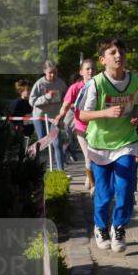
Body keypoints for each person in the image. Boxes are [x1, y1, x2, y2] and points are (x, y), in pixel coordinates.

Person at [78, 38, 138, 255]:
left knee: (125, 189)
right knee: (104, 193)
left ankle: (119, 227)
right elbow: (83, 114)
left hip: (125, 141)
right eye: (112, 52)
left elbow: (137, 107)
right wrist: (105, 112)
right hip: (99, 144)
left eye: (121, 51)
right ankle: (100, 227)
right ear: (102, 59)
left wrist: (135, 116)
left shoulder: (134, 80)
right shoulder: (96, 83)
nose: (118, 55)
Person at [56, 58, 97, 192]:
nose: (91, 71)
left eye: (93, 68)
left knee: (98, 157)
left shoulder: (100, 85)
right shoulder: (75, 88)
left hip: (97, 126)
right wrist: (60, 116)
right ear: (81, 72)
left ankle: (89, 176)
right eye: (87, 69)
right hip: (82, 127)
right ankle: (93, 185)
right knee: (89, 156)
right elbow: (65, 105)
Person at [29, 60, 68, 170]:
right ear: (44, 71)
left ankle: (61, 171)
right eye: (50, 72)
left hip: (54, 117)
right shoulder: (40, 84)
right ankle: (36, 169)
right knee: (41, 143)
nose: (53, 75)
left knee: (57, 143)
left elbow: (67, 97)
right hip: (40, 116)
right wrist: (46, 97)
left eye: (55, 72)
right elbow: (32, 101)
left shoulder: (60, 83)